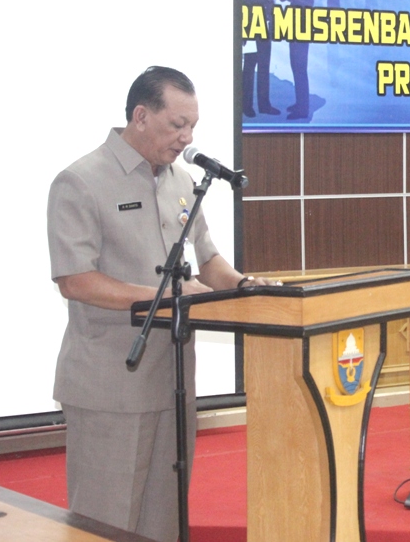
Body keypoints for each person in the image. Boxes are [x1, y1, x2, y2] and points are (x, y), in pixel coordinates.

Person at [47, 66, 275, 542]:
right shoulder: (80, 181)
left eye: (193, 126)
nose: (187, 137)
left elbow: (207, 260)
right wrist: (165, 297)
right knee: (105, 522)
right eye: (177, 125)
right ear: (141, 116)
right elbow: (75, 280)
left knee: (165, 522)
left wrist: (245, 286)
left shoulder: (183, 181)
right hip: (111, 385)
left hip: (172, 382)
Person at [241, 0, 279, 117]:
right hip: (251, 32)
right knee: (249, 70)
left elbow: (271, 5)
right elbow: (242, 7)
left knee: (264, 68)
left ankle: (264, 105)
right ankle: (246, 106)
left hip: (265, 33)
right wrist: (243, 33)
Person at [279, 0, 317, 119]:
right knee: (295, 69)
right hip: (293, 32)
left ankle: (303, 109)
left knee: (300, 70)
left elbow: (302, 0)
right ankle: (299, 103)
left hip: (302, 33)